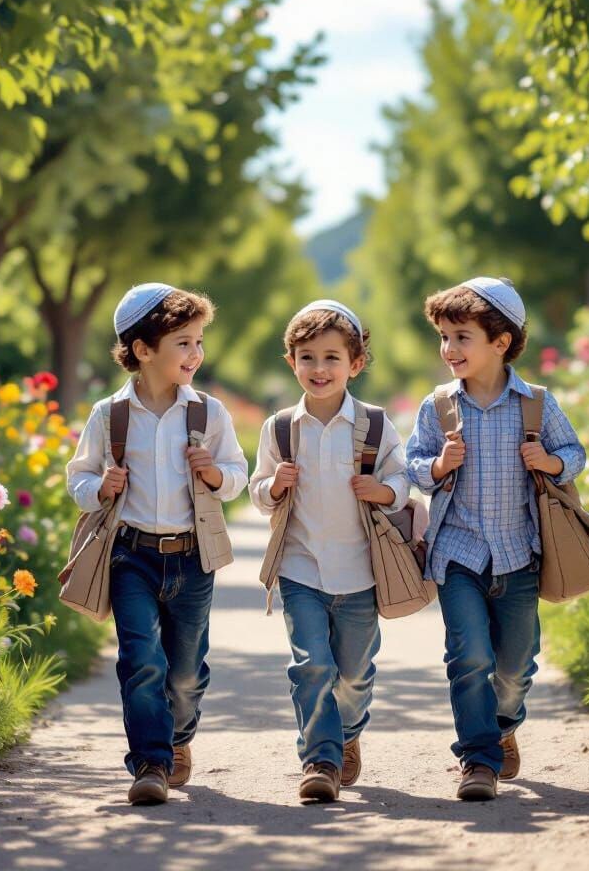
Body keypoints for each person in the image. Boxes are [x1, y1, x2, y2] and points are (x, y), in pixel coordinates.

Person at [66, 283, 248, 805]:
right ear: (143, 350)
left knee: (186, 670)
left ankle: (179, 735)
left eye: (198, 342)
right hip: (131, 555)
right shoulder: (110, 415)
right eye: (183, 343)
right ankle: (150, 762)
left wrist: (215, 474)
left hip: (192, 559)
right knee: (141, 658)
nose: (196, 354)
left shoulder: (207, 414)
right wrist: (99, 487)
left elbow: (236, 473)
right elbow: (76, 478)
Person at [406, 277, 586, 801]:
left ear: (500, 342)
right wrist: (438, 465)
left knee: (515, 665)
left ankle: (504, 722)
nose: (449, 349)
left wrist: (550, 462)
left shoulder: (535, 403)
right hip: (458, 552)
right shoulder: (438, 407)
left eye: (462, 337)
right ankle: (478, 760)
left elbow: (574, 452)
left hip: (518, 554)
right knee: (468, 658)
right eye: (443, 337)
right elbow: (415, 466)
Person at [249, 300, 409, 803]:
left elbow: (402, 479)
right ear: (291, 361)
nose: (319, 369)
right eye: (307, 357)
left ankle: (349, 729)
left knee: (355, 674)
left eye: (332, 358)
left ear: (355, 364)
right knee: (310, 666)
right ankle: (319, 758)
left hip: (361, 571)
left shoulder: (376, 425)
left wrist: (382, 492)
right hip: (301, 569)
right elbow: (256, 491)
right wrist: (275, 486)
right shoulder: (279, 428)